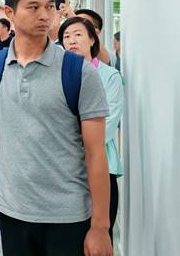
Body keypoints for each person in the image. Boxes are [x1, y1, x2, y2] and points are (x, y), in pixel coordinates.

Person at [0, 0, 112, 256]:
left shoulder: (78, 71)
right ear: (10, 12)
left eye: (50, 6)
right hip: (12, 211)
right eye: (33, 7)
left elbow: (95, 152)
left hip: (68, 214)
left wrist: (100, 226)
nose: (45, 15)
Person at [59, 16, 124, 244]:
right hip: (64, 172)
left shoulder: (109, 76)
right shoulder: (58, 76)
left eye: (78, 35)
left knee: (99, 238)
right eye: (66, 36)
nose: (71, 41)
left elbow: (106, 125)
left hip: (102, 167)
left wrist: (64, 138)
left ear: (92, 39)